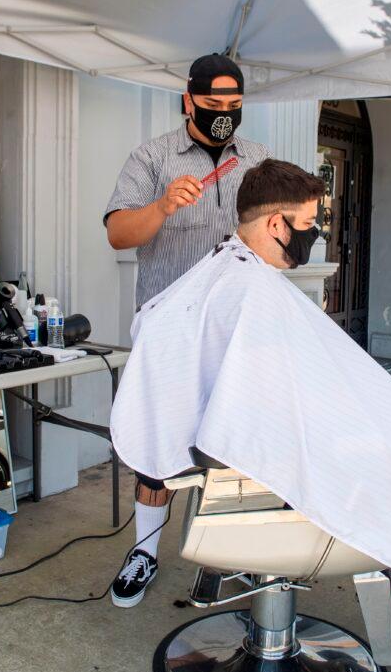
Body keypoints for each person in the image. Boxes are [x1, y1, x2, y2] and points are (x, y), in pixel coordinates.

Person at [109, 159, 391, 649]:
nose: (313, 236)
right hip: (280, 455)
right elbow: (272, 410)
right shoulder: (246, 289)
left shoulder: (230, 274)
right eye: (307, 225)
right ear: (274, 224)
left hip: (293, 433)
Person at [103, 53, 270, 607]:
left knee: (237, 441)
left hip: (236, 329)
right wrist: (161, 205)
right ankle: (145, 552)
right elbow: (120, 235)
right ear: (188, 101)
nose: (224, 114)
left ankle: (237, 554)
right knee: (158, 444)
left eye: (233, 106)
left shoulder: (259, 161)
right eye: (212, 105)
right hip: (169, 331)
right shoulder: (151, 157)